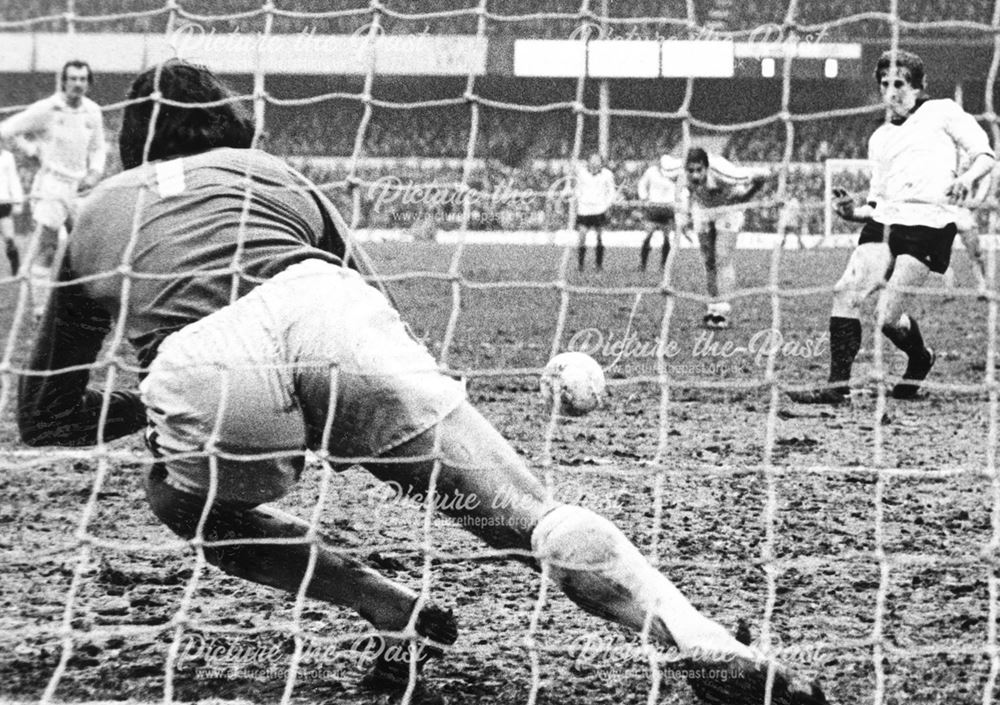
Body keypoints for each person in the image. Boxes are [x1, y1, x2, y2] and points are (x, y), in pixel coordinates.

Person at [17, 60, 826, 705]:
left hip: (205, 378)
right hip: (333, 316)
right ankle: (702, 637)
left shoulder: (95, 209)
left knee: (177, 498)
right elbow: (367, 298)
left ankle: (381, 601)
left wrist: (158, 396)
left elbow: (45, 413)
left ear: (133, 140)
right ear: (227, 124)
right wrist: (367, 417)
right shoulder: (267, 169)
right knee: (526, 519)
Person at [789, 49, 995, 404]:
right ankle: (837, 388)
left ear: (918, 86)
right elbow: (877, 203)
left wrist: (966, 178)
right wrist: (852, 213)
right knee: (846, 291)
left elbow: (985, 155)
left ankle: (920, 357)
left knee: (887, 317)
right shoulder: (880, 138)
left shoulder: (941, 111)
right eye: (885, 84)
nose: (892, 91)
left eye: (900, 83)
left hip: (929, 225)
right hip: (885, 224)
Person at [0, 59, 106, 315]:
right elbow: (6, 130)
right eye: (73, 78)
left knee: (84, 248)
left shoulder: (92, 111)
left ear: (88, 83)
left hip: (81, 188)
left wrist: (94, 173)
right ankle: (39, 309)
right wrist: (32, 151)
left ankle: (80, 304)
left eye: (83, 79)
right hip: (52, 186)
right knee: (47, 248)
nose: (78, 84)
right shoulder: (46, 109)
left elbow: (98, 147)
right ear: (63, 81)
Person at [680, 148, 769, 329]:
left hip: (728, 208)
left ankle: (723, 312)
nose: (695, 175)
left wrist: (745, 195)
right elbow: (684, 192)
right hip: (703, 209)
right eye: (691, 171)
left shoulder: (726, 174)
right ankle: (712, 308)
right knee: (708, 260)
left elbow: (763, 176)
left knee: (722, 256)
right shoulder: (677, 173)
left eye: (699, 170)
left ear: (707, 168)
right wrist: (683, 218)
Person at [637, 154, 683, 271]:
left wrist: (678, 201)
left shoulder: (675, 173)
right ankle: (642, 264)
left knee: (666, 237)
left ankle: (663, 266)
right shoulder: (651, 172)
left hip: (668, 207)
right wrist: (644, 198)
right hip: (654, 207)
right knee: (648, 235)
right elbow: (642, 184)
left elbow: (681, 188)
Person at [573, 153, 616, 271]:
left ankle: (599, 265)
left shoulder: (607, 174)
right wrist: (578, 200)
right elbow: (578, 189)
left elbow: (611, 191)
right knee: (582, 236)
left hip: (599, 209)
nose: (595, 162)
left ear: (601, 162)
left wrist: (607, 206)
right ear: (588, 161)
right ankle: (580, 264)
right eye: (592, 159)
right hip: (584, 209)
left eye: (597, 160)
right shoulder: (582, 173)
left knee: (599, 237)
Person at [0, 145, 24, 275]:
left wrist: (17, 202)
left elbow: (13, 180)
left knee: (9, 238)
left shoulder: (8, 157)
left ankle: (16, 269)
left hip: (3, 203)